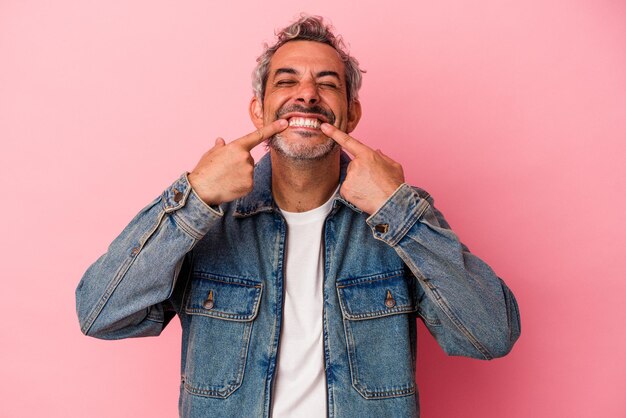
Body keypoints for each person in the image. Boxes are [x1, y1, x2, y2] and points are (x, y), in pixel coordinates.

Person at [76, 14, 520, 418]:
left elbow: (490, 335)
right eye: (286, 81)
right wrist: (194, 197)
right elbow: (101, 314)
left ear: (352, 113)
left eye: (326, 83)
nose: (307, 94)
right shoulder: (208, 216)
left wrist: (398, 210)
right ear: (258, 109)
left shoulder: (398, 216)